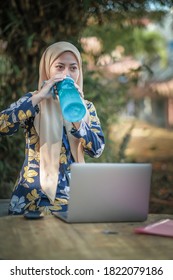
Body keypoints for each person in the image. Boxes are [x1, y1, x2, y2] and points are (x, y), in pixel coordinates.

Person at [0, 41, 105, 215]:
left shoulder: (87, 108)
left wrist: (77, 115)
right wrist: (39, 96)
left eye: (73, 68)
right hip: (33, 196)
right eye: (59, 67)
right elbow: (3, 125)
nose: (66, 74)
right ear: (47, 69)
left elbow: (97, 150)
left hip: (74, 196)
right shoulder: (34, 101)